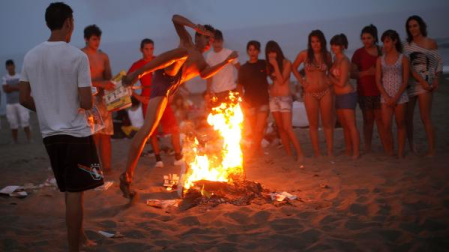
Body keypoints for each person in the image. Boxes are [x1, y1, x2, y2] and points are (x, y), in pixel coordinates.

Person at [119, 14, 238, 198]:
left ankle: (127, 177)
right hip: (164, 74)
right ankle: (139, 73)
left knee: (147, 131)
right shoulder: (188, 41)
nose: (209, 42)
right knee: (183, 52)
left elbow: (206, 74)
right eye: (207, 37)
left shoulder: (201, 61)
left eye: (211, 39)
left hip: (169, 87)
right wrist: (194, 26)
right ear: (199, 35)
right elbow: (175, 18)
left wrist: (226, 61)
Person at [19, 3, 103, 251]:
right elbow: (87, 101)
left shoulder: (31, 55)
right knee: (75, 194)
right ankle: (74, 247)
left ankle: (82, 237)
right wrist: (92, 99)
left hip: (50, 135)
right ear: (68, 23)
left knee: (71, 189)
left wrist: (47, 109)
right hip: (75, 133)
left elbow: (24, 98)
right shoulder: (77, 56)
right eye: (73, 22)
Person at [127, 38, 183, 168]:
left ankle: (178, 156)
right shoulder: (137, 65)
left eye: (151, 49)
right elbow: (126, 83)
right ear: (141, 50)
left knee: (174, 127)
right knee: (151, 131)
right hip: (148, 99)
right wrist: (138, 97)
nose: (149, 52)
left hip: (164, 96)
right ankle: (158, 159)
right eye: (146, 49)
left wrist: (172, 93)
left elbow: (173, 77)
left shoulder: (160, 60)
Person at [292, 30, 334, 158]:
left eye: (318, 41)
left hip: (325, 91)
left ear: (322, 42)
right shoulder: (304, 54)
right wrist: (302, 82)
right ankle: (317, 153)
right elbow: (293, 68)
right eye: (313, 41)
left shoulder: (326, 55)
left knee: (327, 123)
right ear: (310, 43)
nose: (315, 44)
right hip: (310, 93)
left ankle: (330, 152)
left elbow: (332, 70)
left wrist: (329, 80)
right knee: (313, 124)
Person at [404, 15, 441, 157]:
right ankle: (412, 146)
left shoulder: (430, 42)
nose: (412, 28)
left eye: (415, 25)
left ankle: (432, 149)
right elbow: (409, 68)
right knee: (407, 118)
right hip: (411, 83)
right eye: (410, 26)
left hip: (426, 84)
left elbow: (436, 63)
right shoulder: (406, 45)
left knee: (425, 117)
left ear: (421, 26)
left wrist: (436, 79)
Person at [81, 24, 114, 172]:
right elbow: (79, 80)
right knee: (93, 134)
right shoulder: (81, 56)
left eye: (98, 39)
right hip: (89, 99)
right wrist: (101, 83)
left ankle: (107, 167)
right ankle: (94, 167)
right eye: (94, 39)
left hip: (103, 99)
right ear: (86, 39)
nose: (97, 42)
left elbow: (108, 77)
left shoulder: (104, 56)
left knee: (106, 134)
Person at [265, 40, 304, 162]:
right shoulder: (269, 66)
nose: (272, 55)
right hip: (273, 99)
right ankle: (288, 154)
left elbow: (282, 80)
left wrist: (276, 65)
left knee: (287, 128)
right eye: (269, 53)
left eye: (273, 52)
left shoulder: (287, 63)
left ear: (278, 51)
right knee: (280, 128)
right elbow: (271, 81)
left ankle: (300, 154)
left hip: (285, 99)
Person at [351, 24, 386, 153]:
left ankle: (386, 146)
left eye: (369, 38)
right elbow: (352, 73)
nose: (366, 41)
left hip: (381, 91)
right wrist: (367, 72)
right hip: (365, 91)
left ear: (375, 38)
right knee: (368, 120)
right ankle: (367, 148)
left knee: (381, 120)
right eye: (363, 38)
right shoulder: (358, 53)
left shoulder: (382, 51)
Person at [376, 30, 409, 158]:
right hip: (385, 96)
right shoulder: (380, 59)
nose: (385, 44)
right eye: (384, 42)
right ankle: (390, 151)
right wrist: (386, 96)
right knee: (386, 125)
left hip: (400, 96)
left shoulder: (403, 58)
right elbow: (378, 80)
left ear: (395, 41)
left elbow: (405, 80)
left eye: (388, 41)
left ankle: (400, 153)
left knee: (400, 123)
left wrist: (395, 97)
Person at [328, 34, 360, 159]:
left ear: (342, 46)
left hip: (347, 94)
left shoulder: (345, 61)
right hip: (338, 97)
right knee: (345, 126)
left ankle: (356, 152)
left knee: (351, 125)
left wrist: (330, 78)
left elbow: (342, 83)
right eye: (333, 44)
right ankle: (348, 150)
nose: (334, 47)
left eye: (336, 45)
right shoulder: (335, 60)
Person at [237, 40, 270, 158]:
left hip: (263, 101)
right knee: (254, 128)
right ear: (247, 52)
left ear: (259, 51)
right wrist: (242, 100)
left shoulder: (263, 64)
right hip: (249, 102)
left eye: (255, 49)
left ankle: (252, 152)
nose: (252, 52)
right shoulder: (244, 68)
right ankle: (258, 150)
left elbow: (272, 74)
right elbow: (239, 86)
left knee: (259, 128)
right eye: (250, 49)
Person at [206, 29, 240, 106]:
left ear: (222, 41)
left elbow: (239, 68)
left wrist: (239, 84)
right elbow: (209, 75)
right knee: (217, 116)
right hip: (215, 92)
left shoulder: (229, 53)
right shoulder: (209, 56)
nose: (216, 44)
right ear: (211, 42)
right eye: (214, 42)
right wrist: (208, 92)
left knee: (232, 116)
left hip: (230, 90)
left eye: (218, 42)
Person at [2, 59, 32, 143]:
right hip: (10, 104)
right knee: (13, 122)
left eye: (11, 66)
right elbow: (5, 89)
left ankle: (29, 138)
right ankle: (15, 140)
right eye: (9, 67)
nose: (10, 68)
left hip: (20, 102)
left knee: (25, 121)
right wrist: (16, 87)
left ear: (14, 66)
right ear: (6, 68)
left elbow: (21, 88)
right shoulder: (5, 78)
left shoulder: (19, 76)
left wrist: (11, 87)